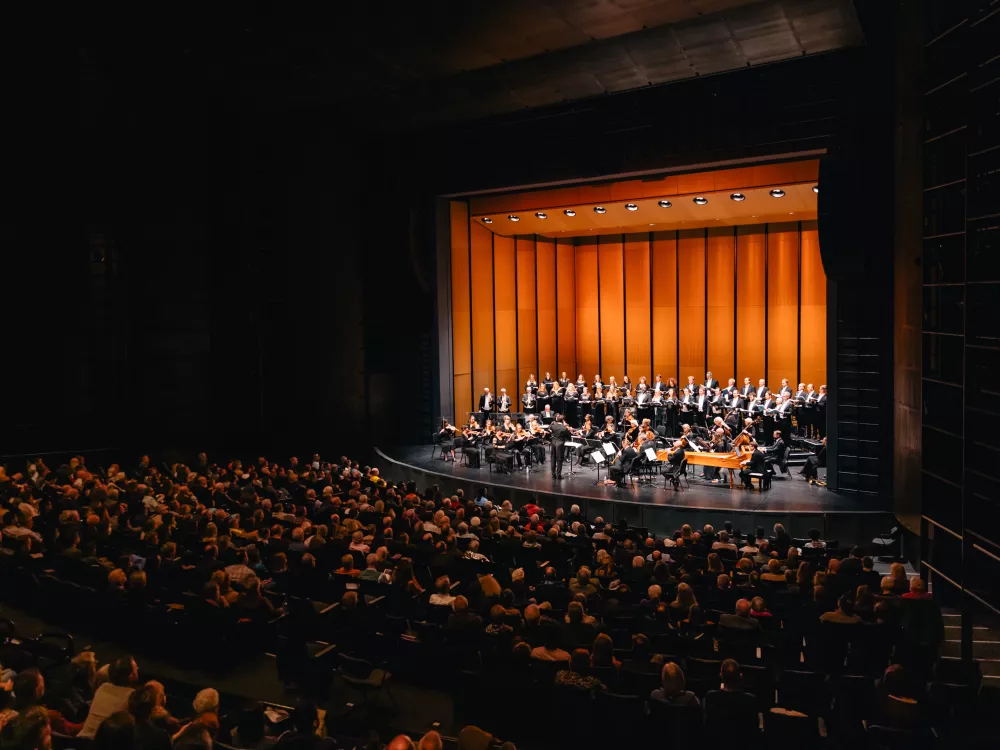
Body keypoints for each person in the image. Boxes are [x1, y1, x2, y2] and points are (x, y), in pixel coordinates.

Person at [79, 656, 139, 739]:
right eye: (136, 668)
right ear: (131, 676)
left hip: (81, 740)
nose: (138, 669)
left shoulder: (102, 687)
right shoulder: (132, 696)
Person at [548, 414, 570, 479]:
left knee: (553, 459)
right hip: (560, 445)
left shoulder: (553, 426)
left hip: (553, 443)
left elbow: (549, 430)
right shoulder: (564, 428)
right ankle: (558, 475)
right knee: (559, 460)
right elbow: (568, 437)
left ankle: (553, 475)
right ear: (563, 420)